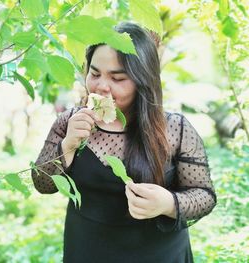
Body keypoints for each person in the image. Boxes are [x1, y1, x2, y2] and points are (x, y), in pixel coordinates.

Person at [31, 22, 217, 263]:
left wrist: (168, 203)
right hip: (88, 251)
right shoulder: (70, 122)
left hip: (160, 255)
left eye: (117, 78)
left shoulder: (175, 129)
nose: (101, 86)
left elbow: (205, 195)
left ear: (143, 80)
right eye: (95, 73)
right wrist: (67, 145)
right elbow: (42, 184)